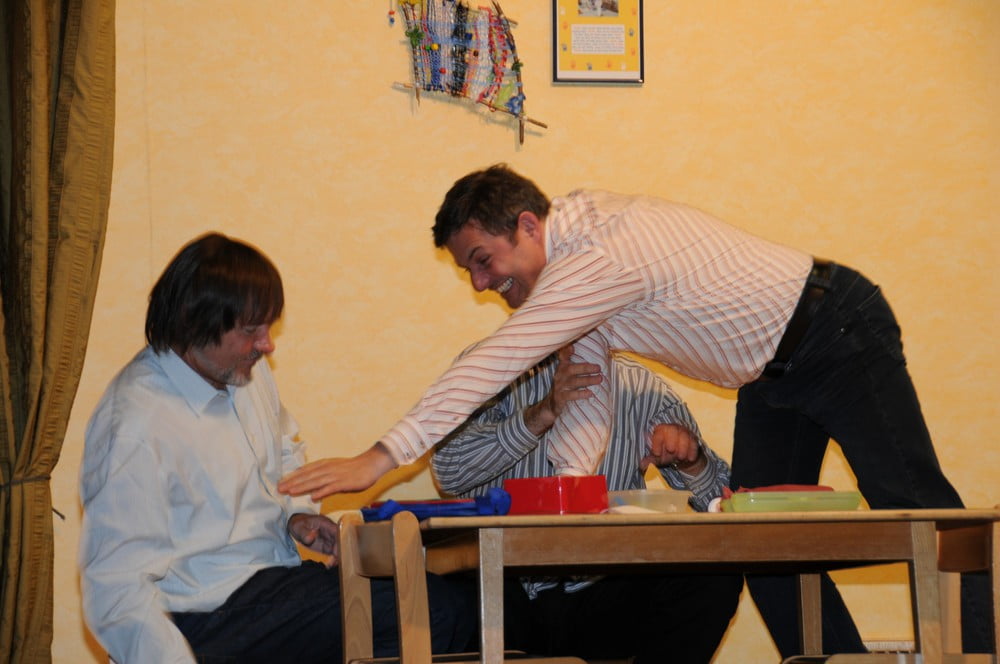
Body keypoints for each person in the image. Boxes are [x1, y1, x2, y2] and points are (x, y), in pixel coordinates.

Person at [279, 164, 992, 656]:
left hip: (833, 331)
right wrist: (567, 502)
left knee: (922, 511)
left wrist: (380, 457)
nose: (480, 282)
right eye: (469, 269)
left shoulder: (596, 256)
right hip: (771, 375)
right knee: (763, 542)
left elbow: (500, 356)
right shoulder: (577, 282)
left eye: (483, 259)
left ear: (527, 226)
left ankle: (981, 651)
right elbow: (587, 399)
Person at [79, 233, 474, 664]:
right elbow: (116, 590)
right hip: (202, 614)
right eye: (251, 331)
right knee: (429, 611)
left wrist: (296, 515)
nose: (267, 345)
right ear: (193, 323)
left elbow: (284, 450)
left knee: (447, 599)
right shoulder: (134, 423)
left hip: (271, 585)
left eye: (268, 327)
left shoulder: (245, 371)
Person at [433, 344, 742, 663]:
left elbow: (726, 506)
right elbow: (448, 472)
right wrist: (541, 413)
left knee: (715, 576)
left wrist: (692, 462)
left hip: (603, 588)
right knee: (432, 603)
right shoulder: (488, 367)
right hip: (500, 587)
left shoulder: (642, 389)